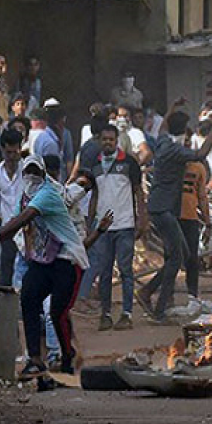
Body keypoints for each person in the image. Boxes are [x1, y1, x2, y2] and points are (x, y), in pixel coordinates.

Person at [0, 155, 89, 389]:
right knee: (29, 298)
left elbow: (22, 220)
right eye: (27, 172)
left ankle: (68, 354)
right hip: (43, 259)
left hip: (67, 258)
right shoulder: (27, 196)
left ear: (43, 174)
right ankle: (35, 360)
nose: (31, 177)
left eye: (35, 172)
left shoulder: (47, 194)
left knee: (58, 312)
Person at [138, 105, 212, 322]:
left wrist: (172, 108)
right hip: (164, 209)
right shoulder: (174, 150)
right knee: (176, 258)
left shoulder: (164, 141)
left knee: (180, 255)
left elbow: (164, 126)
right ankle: (158, 308)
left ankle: (149, 293)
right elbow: (201, 153)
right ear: (183, 130)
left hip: (160, 207)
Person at [89, 124, 147, 331]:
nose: (107, 143)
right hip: (103, 228)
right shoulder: (94, 165)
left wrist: (142, 219)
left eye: (111, 140)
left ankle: (127, 314)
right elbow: (94, 195)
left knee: (125, 271)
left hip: (125, 225)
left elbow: (139, 192)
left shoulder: (129, 162)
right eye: (104, 139)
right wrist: (91, 224)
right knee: (104, 272)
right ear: (100, 140)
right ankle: (105, 314)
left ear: (116, 141)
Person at [0, 129, 25, 287]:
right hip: (7, 231)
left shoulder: (29, 170)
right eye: (8, 152)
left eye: (15, 152)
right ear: (2, 150)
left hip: (28, 230)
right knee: (6, 274)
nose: (12, 157)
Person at [176, 154, 211, 298]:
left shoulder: (199, 168)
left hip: (191, 218)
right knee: (172, 257)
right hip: (173, 217)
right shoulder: (172, 163)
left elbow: (202, 196)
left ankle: (192, 295)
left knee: (192, 258)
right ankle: (167, 297)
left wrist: (207, 221)